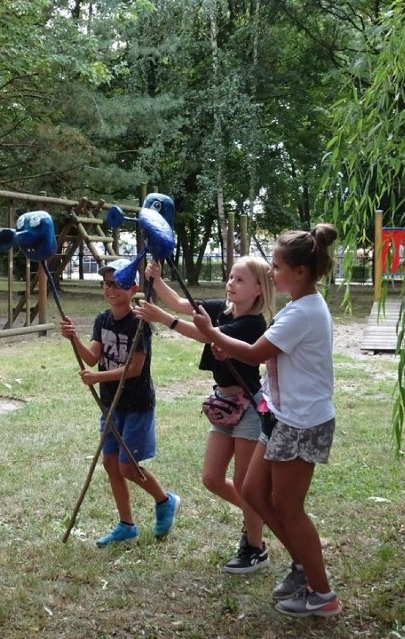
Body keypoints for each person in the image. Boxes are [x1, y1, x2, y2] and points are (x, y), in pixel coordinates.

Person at [193, 224, 341, 617]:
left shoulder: (304, 312)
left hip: (302, 422)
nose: (272, 274)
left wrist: (214, 335)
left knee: (288, 506)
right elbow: (268, 355)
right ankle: (302, 564)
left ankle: (322, 594)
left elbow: (257, 353)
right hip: (278, 414)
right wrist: (226, 344)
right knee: (253, 490)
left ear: (300, 272)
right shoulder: (298, 306)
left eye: (276, 267)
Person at [133, 256, 274, 574]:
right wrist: (157, 280)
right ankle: (260, 514)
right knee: (211, 478)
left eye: (239, 280)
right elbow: (182, 303)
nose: (230, 283)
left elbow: (206, 334)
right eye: (230, 277)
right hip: (223, 407)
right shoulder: (221, 309)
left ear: (258, 291)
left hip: (249, 409)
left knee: (242, 480)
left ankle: (255, 547)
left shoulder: (254, 324)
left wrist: (163, 319)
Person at [59, 258, 180, 547]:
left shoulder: (140, 324)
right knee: (111, 463)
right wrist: (74, 338)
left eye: (118, 284)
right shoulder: (102, 320)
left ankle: (165, 500)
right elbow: (92, 358)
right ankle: (126, 524)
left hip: (136, 404)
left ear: (134, 288)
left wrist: (97, 379)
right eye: (107, 284)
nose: (111, 289)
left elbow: (134, 369)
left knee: (128, 466)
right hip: (110, 405)